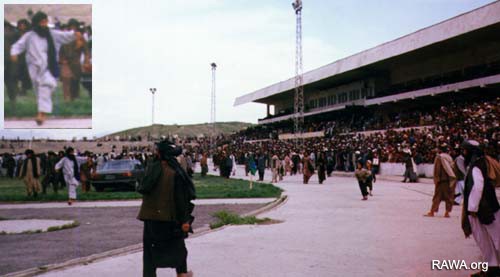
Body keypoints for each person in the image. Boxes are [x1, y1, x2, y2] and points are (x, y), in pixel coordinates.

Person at [10, 12, 82, 125]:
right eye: (42, 22)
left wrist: (75, 34)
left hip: (49, 67)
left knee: (45, 86)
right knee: (40, 90)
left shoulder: (52, 34)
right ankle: (42, 112)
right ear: (36, 23)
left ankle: (41, 114)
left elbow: (66, 36)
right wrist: (14, 53)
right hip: (33, 68)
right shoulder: (29, 36)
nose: (44, 24)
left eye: (45, 22)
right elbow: (18, 45)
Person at [136, 140, 195, 277]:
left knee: (150, 252)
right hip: (169, 217)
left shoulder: (150, 169)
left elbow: (143, 187)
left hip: (150, 217)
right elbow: (180, 199)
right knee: (178, 247)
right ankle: (181, 274)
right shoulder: (175, 172)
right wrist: (185, 220)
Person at [461, 140, 500, 277]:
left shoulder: (476, 166)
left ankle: (492, 267)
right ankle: (492, 268)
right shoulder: (485, 162)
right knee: (490, 239)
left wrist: (472, 207)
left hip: (481, 210)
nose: (463, 153)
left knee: (488, 239)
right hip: (490, 206)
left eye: (465, 150)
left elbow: (477, 187)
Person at [425, 144, 456, 218]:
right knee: (449, 196)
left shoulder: (439, 157)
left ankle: (432, 211)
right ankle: (447, 212)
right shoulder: (449, 157)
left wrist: (436, 179)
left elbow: (437, 169)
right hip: (449, 179)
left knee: (437, 196)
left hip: (441, 180)